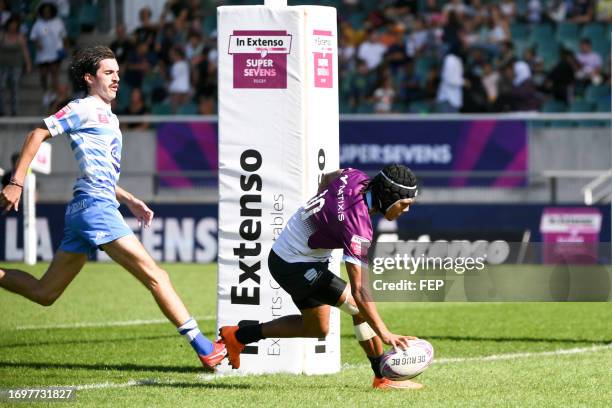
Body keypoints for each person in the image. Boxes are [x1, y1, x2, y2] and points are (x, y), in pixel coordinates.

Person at [0, 46, 226, 370]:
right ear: (90, 78)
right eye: (109, 72)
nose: (117, 77)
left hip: (87, 206)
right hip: (94, 206)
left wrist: (129, 199)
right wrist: (16, 182)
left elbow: (100, 170)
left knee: (45, 293)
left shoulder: (110, 116)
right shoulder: (84, 107)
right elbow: (37, 133)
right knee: (156, 275)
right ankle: (205, 348)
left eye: (118, 72)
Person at [219, 164, 423, 390]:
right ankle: (382, 377)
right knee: (358, 306)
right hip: (294, 264)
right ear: (388, 196)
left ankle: (238, 336)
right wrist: (384, 333)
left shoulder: (355, 176)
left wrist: (324, 211)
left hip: (292, 257)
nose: (405, 210)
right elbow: (360, 289)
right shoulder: (358, 226)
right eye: (404, 204)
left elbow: (328, 177)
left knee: (316, 328)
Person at [29, 2, 67, 107]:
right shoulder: (38, 24)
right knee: (43, 74)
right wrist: (38, 44)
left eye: (48, 11)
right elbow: (33, 37)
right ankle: (46, 91)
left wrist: (64, 48)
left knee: (54, 73)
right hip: (42, 54)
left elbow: (63, 36)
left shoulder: (58, 22)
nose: (47, 13)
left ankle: (54, 94)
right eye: (45, 12)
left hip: (55, 52)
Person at [0, 16, 32, 116]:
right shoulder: (2, 35)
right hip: (3, 65)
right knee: (1, 86)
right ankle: (2, 110)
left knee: (15, 86)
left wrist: (28, 64)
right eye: (11, 25)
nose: (13, 27)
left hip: (16, 65)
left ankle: (15, 111)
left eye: (15, 25)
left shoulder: (20, 36)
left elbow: (25, 51)